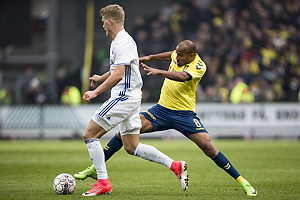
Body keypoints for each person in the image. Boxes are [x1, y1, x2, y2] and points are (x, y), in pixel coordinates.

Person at [75, 39, 258, 197]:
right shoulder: (178, 55)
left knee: (209, 148)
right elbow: (170, 54)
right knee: (125, 133)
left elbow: (183, 77)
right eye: (177, 54)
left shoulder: (199, 65)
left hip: (184, 114)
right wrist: (150, 57)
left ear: (192, 55)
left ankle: (243, 182)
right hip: (161, 111)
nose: (176, 58)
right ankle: (94, 170)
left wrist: (159, 71)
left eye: (181, 55)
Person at [80, 4, 188, 197]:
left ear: (111, 21)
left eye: (104, 21)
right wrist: (101, 78)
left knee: (89, 134)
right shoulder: (121, 41)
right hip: (131, 98)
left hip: (124, 97)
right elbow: (121, 69)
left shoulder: (123, 42)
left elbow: (119, 75)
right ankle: (174, 165)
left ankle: (103, 182)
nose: (103, 25)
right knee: (131, 146)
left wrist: (95, 92)